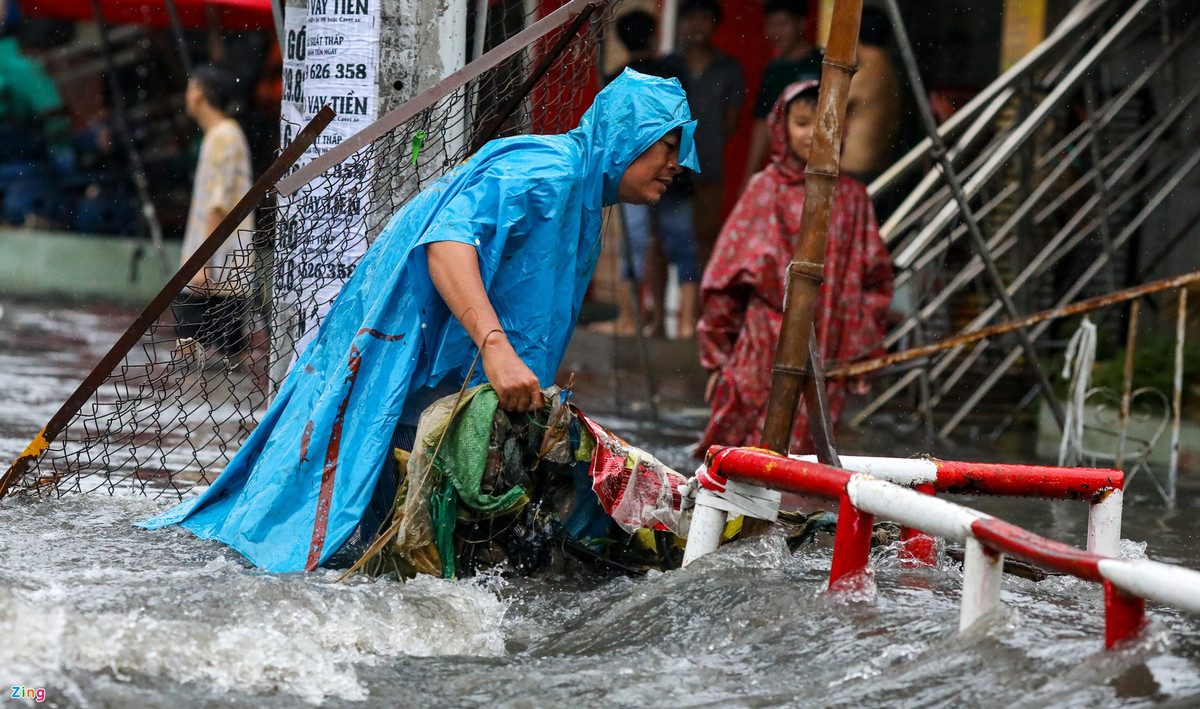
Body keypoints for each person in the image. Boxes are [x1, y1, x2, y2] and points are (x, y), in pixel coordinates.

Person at [139, 69, 700, 573]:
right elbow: (449, 243)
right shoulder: (546, 173)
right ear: (627, 135)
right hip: (419, 408)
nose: (677, 165)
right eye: (666, 146)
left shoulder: (582, 195)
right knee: (369, 552)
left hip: (463, 411)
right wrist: (497, 349)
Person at [698, 81, 892, 455]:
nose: (814, 133)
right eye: (802, 122)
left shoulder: (852, 198)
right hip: (762, 348)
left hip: (827, 354)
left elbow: (875, 280)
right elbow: (725, 282)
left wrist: (861, 353)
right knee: (740, 453)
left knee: (804, 462)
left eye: (825, 122)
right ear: (781, 128)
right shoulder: (764, 190)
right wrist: (718, 358)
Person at [600, 10, 701, 339]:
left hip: (637, 172)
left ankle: (631, 318)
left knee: (637, 244)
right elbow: (688, 121)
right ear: (654, 35)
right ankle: (685, 323)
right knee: (682, 244)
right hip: (676, 168)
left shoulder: (618, 78)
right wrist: (684, 164)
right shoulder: (674, 70)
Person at [171, 64, 255, 367]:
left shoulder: (223, 137)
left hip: (215, 269)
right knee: (221, 360)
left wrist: (201, 263)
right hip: (221, 268)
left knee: (195, 360)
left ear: (199, 94)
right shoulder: (220, 135)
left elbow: (218, 205)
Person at [670, 0, 745, 271]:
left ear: (715, 25)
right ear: (681, 24)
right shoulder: (668, 64)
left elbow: (731, 121)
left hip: (709, 166)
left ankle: (701, 308)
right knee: (662, 241)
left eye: (704, 18)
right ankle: (656, 313)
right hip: (668, 166)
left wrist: (707, 142)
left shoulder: (729, 67)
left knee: (704, 237)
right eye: (691, 18)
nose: (697, 24)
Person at [740, 0, 822, 192]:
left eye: (782, 24)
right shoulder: (774, 69)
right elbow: (762, 123)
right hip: (784, 169)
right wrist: (749, 177)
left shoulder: (822, 64)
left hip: (818, 166)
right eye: (770, 24)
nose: (775, 32)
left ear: (801, 23)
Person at [841, 7, 902, 184]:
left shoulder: (863, 76)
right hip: (879, 169)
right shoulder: (890, 70)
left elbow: (820, 112)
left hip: (855, 172)